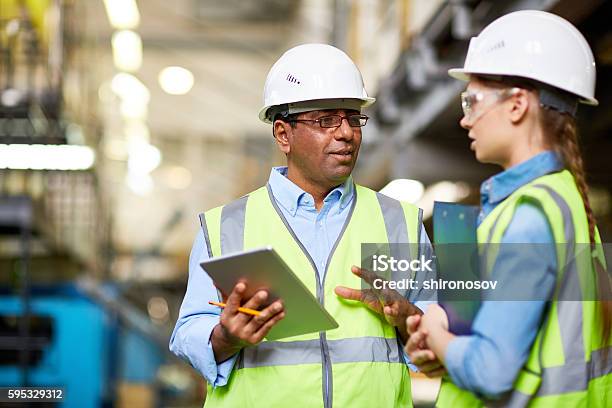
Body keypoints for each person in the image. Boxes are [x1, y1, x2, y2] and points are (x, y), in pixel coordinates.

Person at [170, 43, 436, 407]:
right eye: (326, 120)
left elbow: (439, 337)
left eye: (353, 117)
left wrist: (408, 317)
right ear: (283, 134)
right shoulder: (226, 227)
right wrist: (226, 336)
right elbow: (187, 333)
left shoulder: (399, 222)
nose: (346, 133)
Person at [404, 10, 611, 407]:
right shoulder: (562, 200)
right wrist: (445, 344)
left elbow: (491, 371)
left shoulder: (529, 217)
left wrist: (435, 331)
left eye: (472, 101)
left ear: (517, 105)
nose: (465, 119)